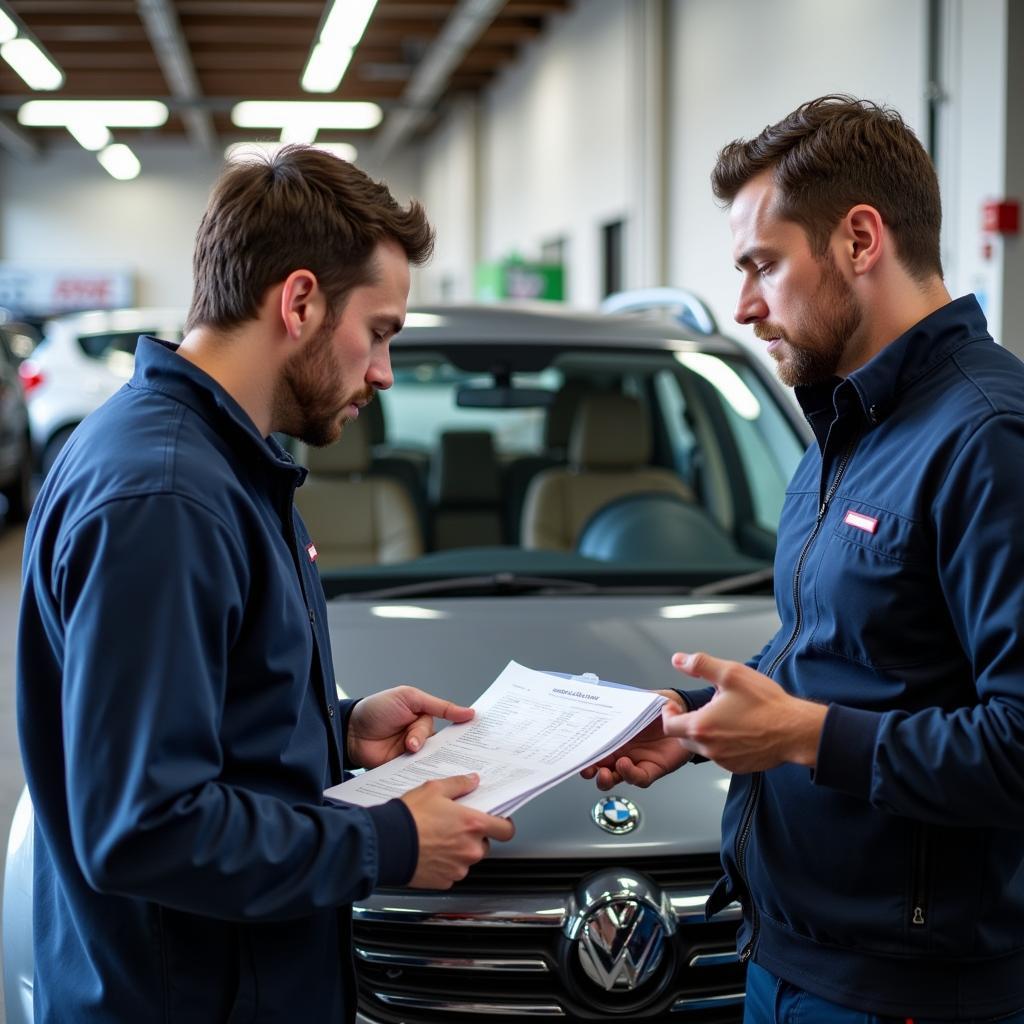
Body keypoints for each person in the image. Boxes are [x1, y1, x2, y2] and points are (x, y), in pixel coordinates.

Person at [16, 145, 515, 1023]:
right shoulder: (165, 496)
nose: (383, 373)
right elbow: (144, 825)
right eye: (381, 332)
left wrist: (337, 727)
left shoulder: (217, 461)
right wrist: (384, 840)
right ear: (299, 302)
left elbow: (203, 711)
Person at [584, 95, 1024, 1023]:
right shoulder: (847, 424)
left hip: (913, 992)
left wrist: (801, 737)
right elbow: (842, 653)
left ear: (861, 239)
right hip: (788, 956)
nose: (745, 305)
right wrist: (701, 725)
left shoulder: (988, 438)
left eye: (762, 265)